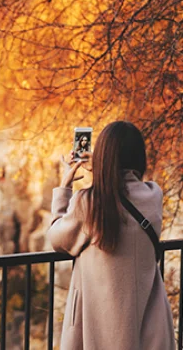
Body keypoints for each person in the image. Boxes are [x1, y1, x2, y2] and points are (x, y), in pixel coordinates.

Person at [48, 121, 175, 350]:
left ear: (103, 157)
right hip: (147, 328)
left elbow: (56, 238)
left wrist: (64, 188)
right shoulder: (153, 196)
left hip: (97, 330)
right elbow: (123, 190)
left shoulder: (89, 203)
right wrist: (105, 168)